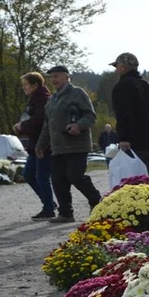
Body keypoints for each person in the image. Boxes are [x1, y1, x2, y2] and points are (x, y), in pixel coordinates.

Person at [35, 65, 102, 223]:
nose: (53, 80)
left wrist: (79, 125)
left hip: (76, 145)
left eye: (57, 76)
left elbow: (91, 116)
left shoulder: (77, 93)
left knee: (75, 176)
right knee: (58, 180)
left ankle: (96, 200)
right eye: (51, 77)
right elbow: (47, 125)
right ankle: (66, 213)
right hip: (58, 147)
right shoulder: (51, 100)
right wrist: (40, 145)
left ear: (67, 77)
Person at [110, 52, 149, 172]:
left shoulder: (122, 86)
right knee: (147, 183)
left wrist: (124, 138)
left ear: (123, 68)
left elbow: (124, 113)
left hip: (135, 144)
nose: (116, 71)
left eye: (117, 67)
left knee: (133, 185)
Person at [14, 72, 54, 220]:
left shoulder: (43, 100)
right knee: (29, 175)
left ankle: (49, 208)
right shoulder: (35, 99)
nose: (23, 88)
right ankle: (49, 203)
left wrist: (21, 126)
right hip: (34, 144)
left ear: (35, 85)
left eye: (25, 85)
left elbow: (38, 121)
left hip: (43, 145)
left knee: (42, 176)